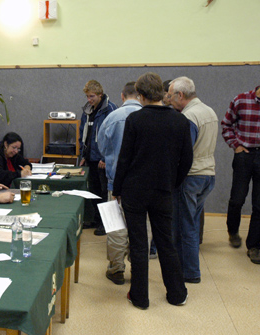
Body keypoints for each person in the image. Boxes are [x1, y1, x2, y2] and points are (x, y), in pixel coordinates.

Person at [113, 72, 192, 309]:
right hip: (163, 190)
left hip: (135, 191)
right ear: (162, 92)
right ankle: (177, 294)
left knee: (138, 244)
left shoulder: (135, 120)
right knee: (166, 241)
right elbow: (187, 160)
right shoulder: (180, 121)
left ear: (141, 95)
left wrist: (117, 189)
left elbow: (124, 158)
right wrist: (173, 182)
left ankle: (140, 297)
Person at [168, 76, 218, 283]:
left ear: (180, 95)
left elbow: (184, 153)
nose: (168, 99)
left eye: (170, 95)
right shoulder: (209, 111)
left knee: (184, 226)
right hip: (208, 176)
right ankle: (186, 267)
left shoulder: (188, 118)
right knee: (192, 224)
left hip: (191, 177)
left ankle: (190, 272)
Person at [98, 81, 142, 285]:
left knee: (115, 227)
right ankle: (139, 267)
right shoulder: (149, 117)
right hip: (143, 184)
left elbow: (102, 147)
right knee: (141, 227)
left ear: (122, 96)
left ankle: (116, 269)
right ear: (141, 96)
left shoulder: (112, 118)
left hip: (115, 183)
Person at [221, 85, 260, 264]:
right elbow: (226, 125)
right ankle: (233, 231)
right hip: (244, 155)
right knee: (237, 199)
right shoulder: (241, 100)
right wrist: (236, 145)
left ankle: (253, 245)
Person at [79, 80, 118, 235]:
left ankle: (105, 223)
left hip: (102, 160)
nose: (89, 100)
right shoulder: (87, 110)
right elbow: (83, 134)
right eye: (88, 96)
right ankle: (95, 219)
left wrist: (104, 157)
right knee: (93, 191)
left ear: (100, 95)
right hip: (90, 158)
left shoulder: (110, 109)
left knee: (104, 192)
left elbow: (111, 136)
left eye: (92, 96)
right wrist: (83, 154)